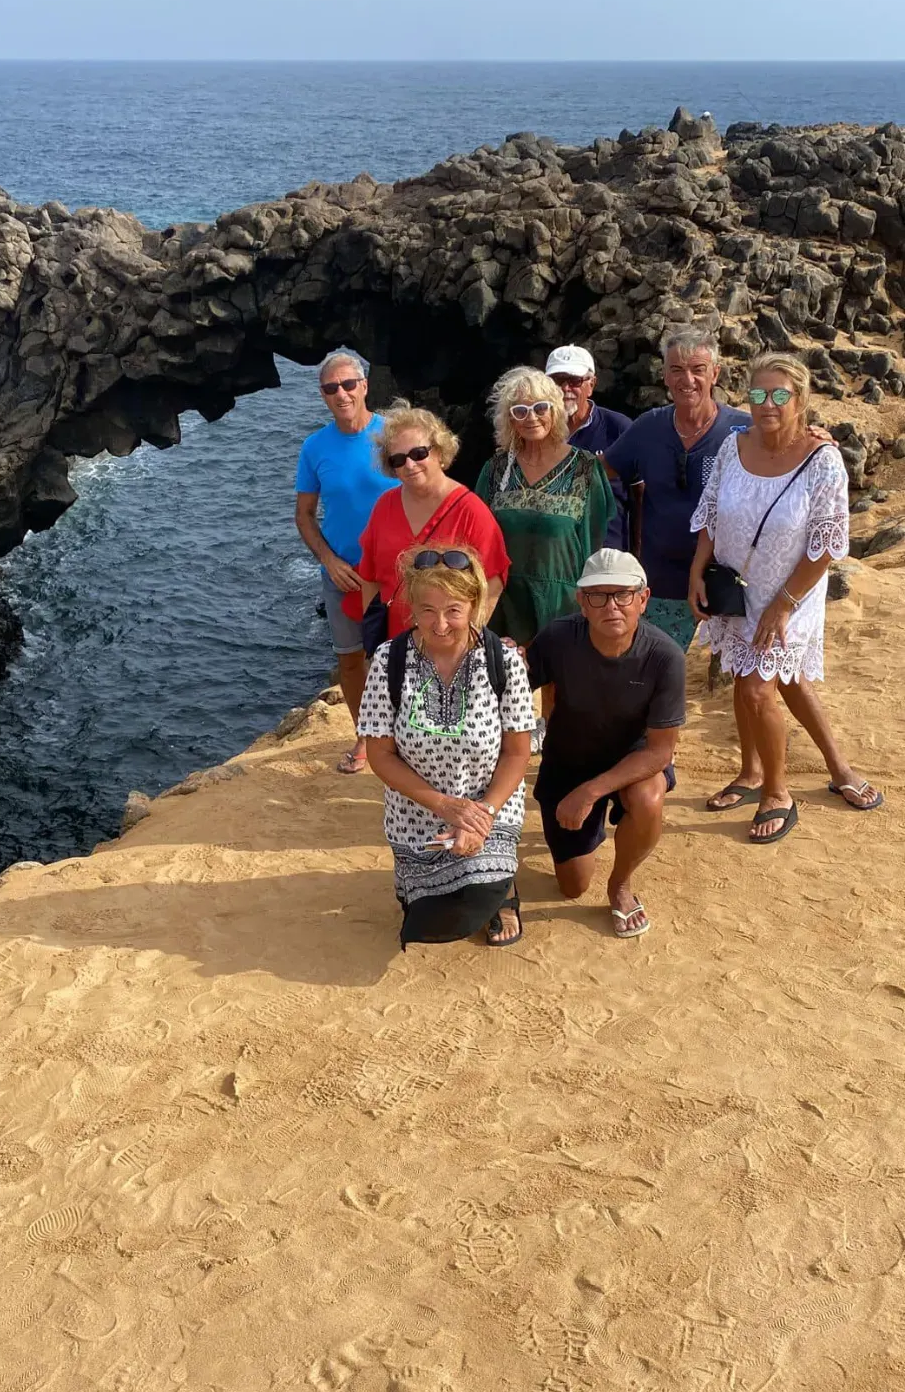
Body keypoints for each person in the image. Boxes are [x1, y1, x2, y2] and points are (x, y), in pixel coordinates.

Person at [689, 354, 882, 841]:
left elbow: (826, 543)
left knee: (758, 688)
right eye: (758, 394)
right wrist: (697, 570)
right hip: (735, 587)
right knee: (757, 677)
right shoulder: (733, 448)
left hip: (792, 593)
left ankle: (778, 793)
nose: (767, 404)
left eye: (780, 395)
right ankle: (779, 772)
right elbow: (711, 512)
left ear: (800, 400)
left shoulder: (823, 459)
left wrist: (783, 605)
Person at [359, 545, 535, 948]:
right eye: (426, 610)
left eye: (453, 610)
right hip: (416, 811)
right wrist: (442, 805)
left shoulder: (503, 661)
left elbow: (516, 752)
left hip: (489, 804)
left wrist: (482, 815)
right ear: (411, 607)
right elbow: (380, 754)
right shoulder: (390, 661)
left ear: (475, 604)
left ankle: (502, 891)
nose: (439, 625)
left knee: (477, 897)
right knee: (430, 919)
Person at [527, 548, 685, 939]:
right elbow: (508, 687)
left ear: (643, 600)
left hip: (633, 759)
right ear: (582, 602)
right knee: (572, 887)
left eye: (623, 595)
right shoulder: (558, 638)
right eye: (598, 595)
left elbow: (660, 752)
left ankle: (621, 883)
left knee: (649, 798)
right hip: (569, 758)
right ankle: (591, 833)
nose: (611, 606)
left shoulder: (665, 656)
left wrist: (590, 791)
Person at [602, 329, 748, 651]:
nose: (688, 379)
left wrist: (812, 438)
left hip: (728, 577)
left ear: (715, 374)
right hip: (663, 580)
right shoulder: (648, 427)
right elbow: (601, 470)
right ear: (664, 375)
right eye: (677, 369)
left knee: (741, 682)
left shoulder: (744, 430)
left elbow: (786, 457)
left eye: (698, 369)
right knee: (652, 670)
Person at [295, 351, 399, 774]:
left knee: (404, 656)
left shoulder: (393, 435)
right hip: (344, 575)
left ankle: (410, 737)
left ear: (365, 386)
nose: (341, 394)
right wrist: (328, 560)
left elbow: (427, 491)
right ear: (322, 395)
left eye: (348, 384)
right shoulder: (314, 447)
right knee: (352, 658)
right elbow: (304, 515)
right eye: (331, 388)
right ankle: (366, 738)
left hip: (397, 573)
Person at [475, 365, 615, 646]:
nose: (531, 418)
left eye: (540, 408)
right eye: (520, 411)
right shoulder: (496, 469)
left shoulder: (584, 468)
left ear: (555, 410)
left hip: (561, 602)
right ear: (510, 419)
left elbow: (594, 539)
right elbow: (477, 540)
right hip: (504, 600)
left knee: (559, 685)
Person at [357, 403, 510, 643]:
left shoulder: (470, 511)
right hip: (396, 646)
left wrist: (467, 637)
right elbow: (370, 577)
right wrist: (374, 642)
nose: (410, 464)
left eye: (419, 454)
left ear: (439, 452)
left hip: (449, 647)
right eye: (398, 459)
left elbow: (494, 580)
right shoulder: (384, 506)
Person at [544, 345, 631, 548]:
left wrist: (637, 555)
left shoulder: (618, 428)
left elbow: (640, 493)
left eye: (575, 381)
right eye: (558, 380)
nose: (565, 389)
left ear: (591, 385)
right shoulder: (536, 430)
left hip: (606, 552)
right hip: (553, 553)